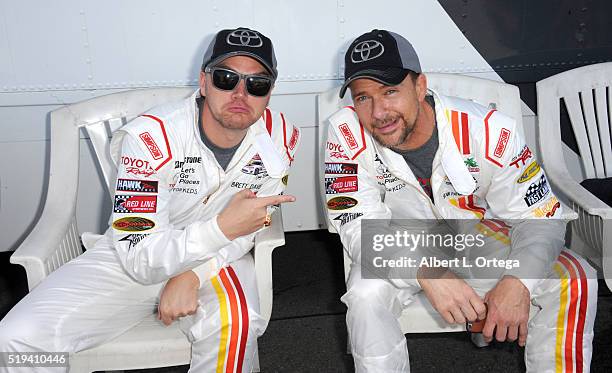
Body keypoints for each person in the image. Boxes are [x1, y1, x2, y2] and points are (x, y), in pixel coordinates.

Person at [0, 27, 300, 372]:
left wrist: (195, 274)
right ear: (204, 82)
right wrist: (220, 228)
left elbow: (250, 224)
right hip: (132, 256)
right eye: (225, 78)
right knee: (15, 340)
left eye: (256, 84)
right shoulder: (150, 137)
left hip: (217, 260)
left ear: (270, 92)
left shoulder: (282, 136)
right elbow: (140, 254)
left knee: (236, 321)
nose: (240, 93)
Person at [325, 29, 597, 372]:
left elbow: (539, 216)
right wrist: (428, 271)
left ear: (420, 86)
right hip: (397, 241)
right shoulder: (345, 131)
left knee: (575, 278)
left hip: (475, 233)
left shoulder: (491, 130)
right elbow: (356, 226)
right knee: (365, 295)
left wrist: (517, 284)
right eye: (363, 98)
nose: (379, 111)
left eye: (390, 91)